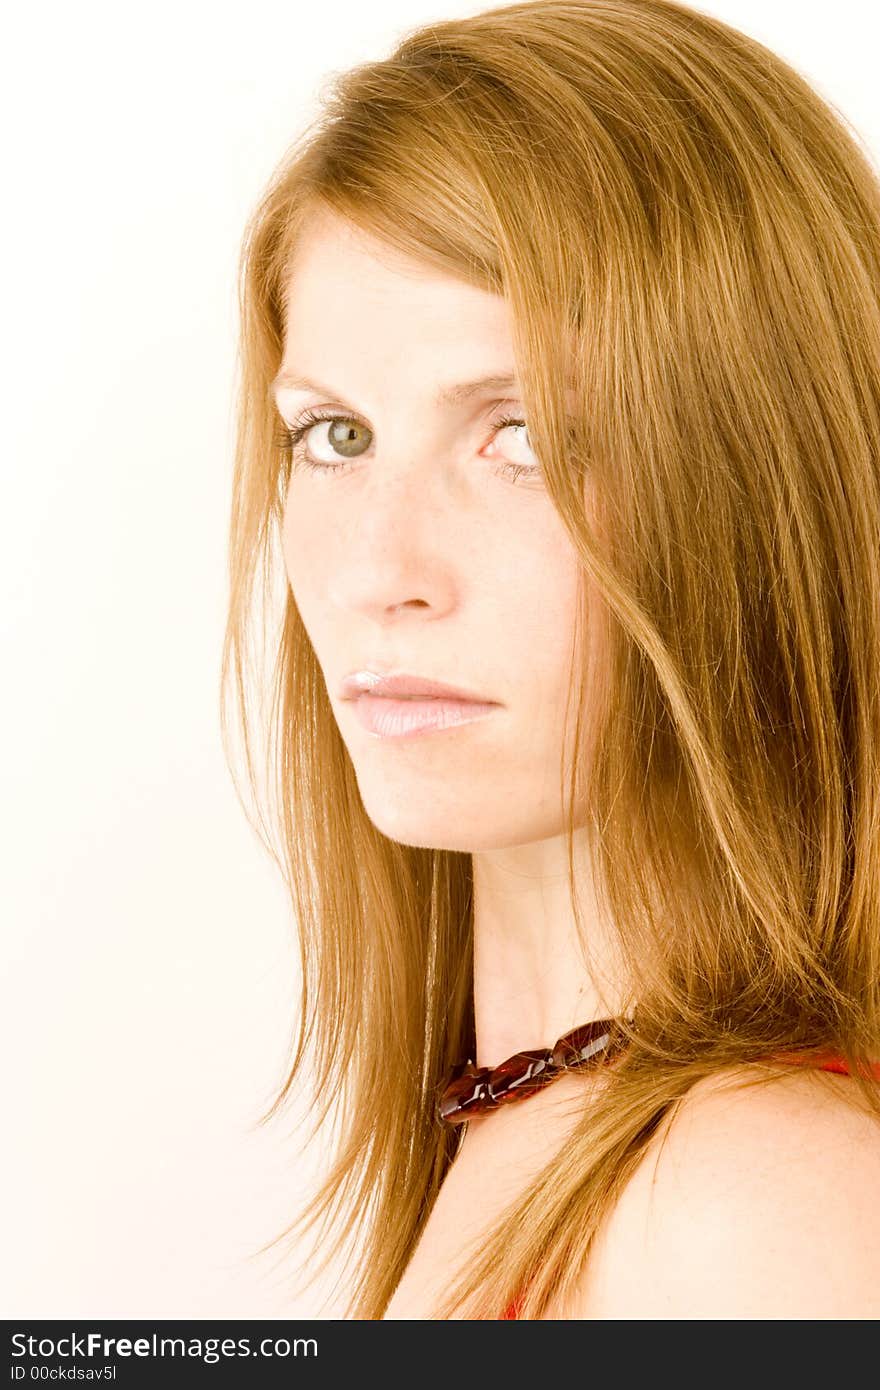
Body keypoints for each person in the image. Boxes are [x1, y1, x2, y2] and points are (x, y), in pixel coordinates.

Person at [220, 0, 880, 1318]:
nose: (375, 572)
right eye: (336, 435)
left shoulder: (753, 1208)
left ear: (766, 490)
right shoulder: (526, 1127)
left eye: (519, 434)